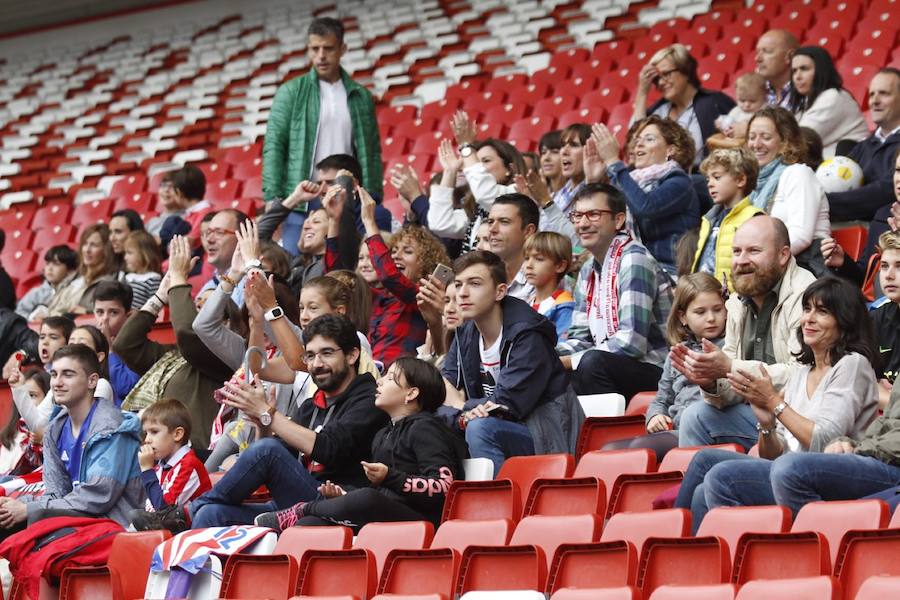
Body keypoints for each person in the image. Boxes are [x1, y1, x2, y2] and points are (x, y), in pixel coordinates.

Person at [674, 276, 879, 531]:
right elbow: (774, 453)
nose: (809, 319)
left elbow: (824, 439)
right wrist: (767, 425)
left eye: (822, 312)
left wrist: (773, 401)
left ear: (845, 322)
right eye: (807, 309)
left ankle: (745, 553)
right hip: (788, 468)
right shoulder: (803, 369)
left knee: (720, 477)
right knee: (704, 469)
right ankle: (682, 545)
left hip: (822, 474)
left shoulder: (852, 364)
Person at [188, 314, 388, 527]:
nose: (317, 364)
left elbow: (330, 448)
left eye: (326, 353)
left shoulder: (370, 399)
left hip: (335, 506)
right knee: (211, 514)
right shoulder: (312, 405)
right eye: (310, 356)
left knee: (266, 451)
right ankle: (195, 526)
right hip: (296, 502)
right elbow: (277, 457)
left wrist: (269, 414)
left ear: (351, 355)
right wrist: (263, 425)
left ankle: (186, 514)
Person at [254, 357, 467, 532]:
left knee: (366, 498)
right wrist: (344, 496)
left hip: (423, 523)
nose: (380, 381)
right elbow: (381, 492)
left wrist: (389, 477)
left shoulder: (426, 428)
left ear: (411, 393)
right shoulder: (383, 434)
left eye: (390, 378)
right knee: (308, 526)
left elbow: (443, 486)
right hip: (383, 518)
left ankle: (303, 509)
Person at [671, 216, 815, 449]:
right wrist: (711, 382)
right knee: (695, 416)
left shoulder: (807, 296)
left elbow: (802, 376)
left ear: (783, 255)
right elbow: (730, 388)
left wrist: (729, 367)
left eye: (754, 251)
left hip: (797, 419)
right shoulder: (737, 302)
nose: (742, 260)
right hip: (758, 416)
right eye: (737, 251)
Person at [442, 250, 583, 475]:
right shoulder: (466, 332)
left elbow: (506, 405)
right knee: (424, 425)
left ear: (500, 291)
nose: (462, 294)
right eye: (458, 285)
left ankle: (501, 504)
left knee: (480, 428)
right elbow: (440, 391)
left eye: (475, 284)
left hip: (546, 435)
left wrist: (461, 406)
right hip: (499, 425)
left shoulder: (527, 334)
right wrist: (459, 415)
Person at [263, 17, 382, 255]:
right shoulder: (290, 92)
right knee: (294, 263)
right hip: (302, 196)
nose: (320, 56)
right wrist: (273, 196)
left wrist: (374, 193)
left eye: (328, 48)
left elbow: (371, 151)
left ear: (342, 50)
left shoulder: (361, 95)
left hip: (344, 197)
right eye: (314, 49)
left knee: (343, 265)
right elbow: (275, 145)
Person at [0, 344, 144, 532]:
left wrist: (28, 509)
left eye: (68, 375)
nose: (57, 383)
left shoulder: (112, 428)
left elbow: (97, 497)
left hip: (114, 526)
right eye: (54, 375)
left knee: (35, 544)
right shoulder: (55, 430)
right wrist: (11, 506)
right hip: (73, 520)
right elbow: (55, 494)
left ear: (92, 381)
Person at [113, 235, 235, 449]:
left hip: (194, 458)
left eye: (207, 307)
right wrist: (160, 296)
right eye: (196, 304)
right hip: (152, 455)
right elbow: (125, 344)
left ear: (227, 322)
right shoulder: (172, 357)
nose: (198, 310)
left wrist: (179, 278)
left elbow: (189, 333)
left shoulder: (224, 357)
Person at [557, 183, 673, 400]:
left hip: (656, 369)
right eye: (577, 215)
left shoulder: (633, 259)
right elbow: (581, 337)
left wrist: (571, 361)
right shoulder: (587, 270)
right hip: (614, 365)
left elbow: (632, 343)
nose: (582, 224)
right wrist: (548, 355)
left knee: (591, 363)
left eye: (593, 215)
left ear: (618, 220)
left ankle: (609, 433)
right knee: (549, 373)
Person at [604, 273, 728, 459]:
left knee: (640, 448)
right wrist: (655, 416)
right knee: (609, 450)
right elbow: (661, 399)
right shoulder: (677, 353)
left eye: (717, 309)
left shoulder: (729, 348)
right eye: (700, 312)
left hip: (704, 431)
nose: (711, 318)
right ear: (683, 317)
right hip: (675, 428)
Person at [326, 181, 448, 366]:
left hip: (401, 384)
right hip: (370, 381)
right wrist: (334, 221)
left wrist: (369, 221)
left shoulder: (424, 298)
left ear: (427, 262)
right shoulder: (376, 297)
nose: (396, 256)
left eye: (407, 252)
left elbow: (389, 276)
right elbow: (334, 282)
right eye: (393, 251)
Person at [593, 117, 701, 277]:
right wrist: (593, 181)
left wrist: (613, 162)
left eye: (649, 139)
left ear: (671, 150)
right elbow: (598, 221)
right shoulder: (627, 183)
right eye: (638, 140)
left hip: (667, 272)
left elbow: (646, 207)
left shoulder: (680, 182)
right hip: (631, 268)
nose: (639, 144)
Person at [746, 106, 831, 265]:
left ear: (786, 141)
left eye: (765, 137)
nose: (756, 144)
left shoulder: (798, 174)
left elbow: (801, 237)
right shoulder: (752, 184)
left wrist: (759, 263)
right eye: (751, 137)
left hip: (804, 269)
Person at [632, 44, 736, 162]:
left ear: (685, 71)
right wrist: (642, 92)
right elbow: (635, 141)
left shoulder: (714, 102)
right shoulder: (658, 110)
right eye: (656, 79)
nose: (660, 82)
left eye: (666, 74)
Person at [826, 68, 900, 223]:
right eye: (872, 94)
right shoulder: (862, 146)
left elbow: (885, 192)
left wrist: (824, 202)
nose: (874, 100)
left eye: (884, 93)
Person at [429, 136, 525, 250]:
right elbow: (440, 224)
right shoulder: (478, 209)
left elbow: (487, 194)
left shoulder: (517, 193)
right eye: (477, 163)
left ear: (509, 169)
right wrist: (450, 171)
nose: (479, 168)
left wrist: (466, 148)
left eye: (485, 161)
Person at [130, 399, 211, 533]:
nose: (147, 439)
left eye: (154, 432)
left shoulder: (189, 465)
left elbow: (164, 511)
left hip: (191, 536)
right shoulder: (159, 467)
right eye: (146, 433)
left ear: (177, 434)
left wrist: (146, 471)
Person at [692, 148, 763, 290]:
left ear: (740, 180)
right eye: (708, 179)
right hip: (705, 295)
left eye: (717, 177)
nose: (710, 184)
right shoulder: (709, 219)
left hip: (733, 300)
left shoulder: (753, 218)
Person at [787, 46, 868, 158]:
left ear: (821, 70)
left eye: (804, 69)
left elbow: (797, 143)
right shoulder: (806, 102)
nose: (797, 76)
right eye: (794, 71)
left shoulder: (833, 97)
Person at [49, 224, 121, 315]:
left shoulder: (109, 283)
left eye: (94, 245)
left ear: (106, 251)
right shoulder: (74, 276)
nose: (87, 250)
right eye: (85, 244)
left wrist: (88, 311)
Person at [92, 281, 140, 405]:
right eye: (100, 312)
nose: (104, 319)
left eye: (113, 312)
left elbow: (125, 388)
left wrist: (110, 349)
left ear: (128, 316)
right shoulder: (89, 342)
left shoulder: (137, 346)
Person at [485, 193, 539, 301]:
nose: (492, 229)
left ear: (528, 231)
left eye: (504, 222)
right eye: (490, 222)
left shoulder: (545, 278)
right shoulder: (483, 277)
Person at [523, 232, 575, 339]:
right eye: (527, 258)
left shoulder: (564, 306)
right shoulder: (527, 303)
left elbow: (562, 345)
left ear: (560, 265)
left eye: (539, 259)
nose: (529, 265)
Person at [870, 231, 900, 408]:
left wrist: (883, 396)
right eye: (884, 266)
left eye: (899, 266)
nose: (889, 275)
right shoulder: (877, 315)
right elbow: (859, 380)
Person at [197, 209, 250, 305]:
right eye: (208, 232)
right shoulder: (208, 287)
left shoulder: (251, 282)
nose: (209, 240)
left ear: (242, 237)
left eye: (219, 232)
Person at [15, 245, 78, 321]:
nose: (49, 268)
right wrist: (32, 317)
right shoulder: (36, 292)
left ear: (70, 270)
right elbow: (18, 312)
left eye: (56, 264)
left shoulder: (74, 291)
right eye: (47, 263)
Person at [708, 73, 768, 150]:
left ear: (764, 97)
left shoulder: (765, 111)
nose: (746, 105)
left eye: (752, 101)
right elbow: (728, 123)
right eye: (742, 100)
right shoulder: (737, 110)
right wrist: (722, 125)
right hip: (735, 147)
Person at [756, 30, 800, 109]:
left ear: (790, 56)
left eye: (767, 51)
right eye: (757, 52)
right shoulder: (755, 90)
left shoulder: (808, 94)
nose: (757, 58)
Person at [122, 230, 162, 309]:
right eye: (125, 253)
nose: (125, 257)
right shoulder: (126, 277)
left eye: (129, 253)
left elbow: (155, 306)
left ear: (145, 254)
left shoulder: (153, 279)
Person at [145, 173, 186, 240]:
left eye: (172, 187)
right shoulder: (152, 221)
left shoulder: (186, 218)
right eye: (163, 186)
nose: (166, 190)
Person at [539, 130, 565, 195]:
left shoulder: (577, 193)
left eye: (555, 152)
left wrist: (544, 198)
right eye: (543, 153)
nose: (546, 158)